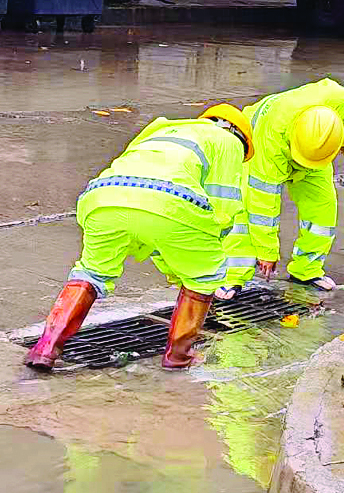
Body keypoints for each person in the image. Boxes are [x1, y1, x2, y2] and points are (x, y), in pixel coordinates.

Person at [24, 105, 255, 373]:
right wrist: (204, 261)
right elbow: (222, 207)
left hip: (102, 197)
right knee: (204, 278)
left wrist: (175, 260)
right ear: (240, 135)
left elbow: (148, 221)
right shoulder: (228, 141)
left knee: (92, 273)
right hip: (171, 203)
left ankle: (45, 348)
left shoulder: (162, 127)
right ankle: (178, 356)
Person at [226, 79, 344, 293]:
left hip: (314, 151)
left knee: (322, 208)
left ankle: (306, 270)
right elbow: (262, 208)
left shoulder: (338, 100)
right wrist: (267, 253)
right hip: (260, 138)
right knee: (243, 212)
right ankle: (234, 276)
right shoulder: (268, 145)